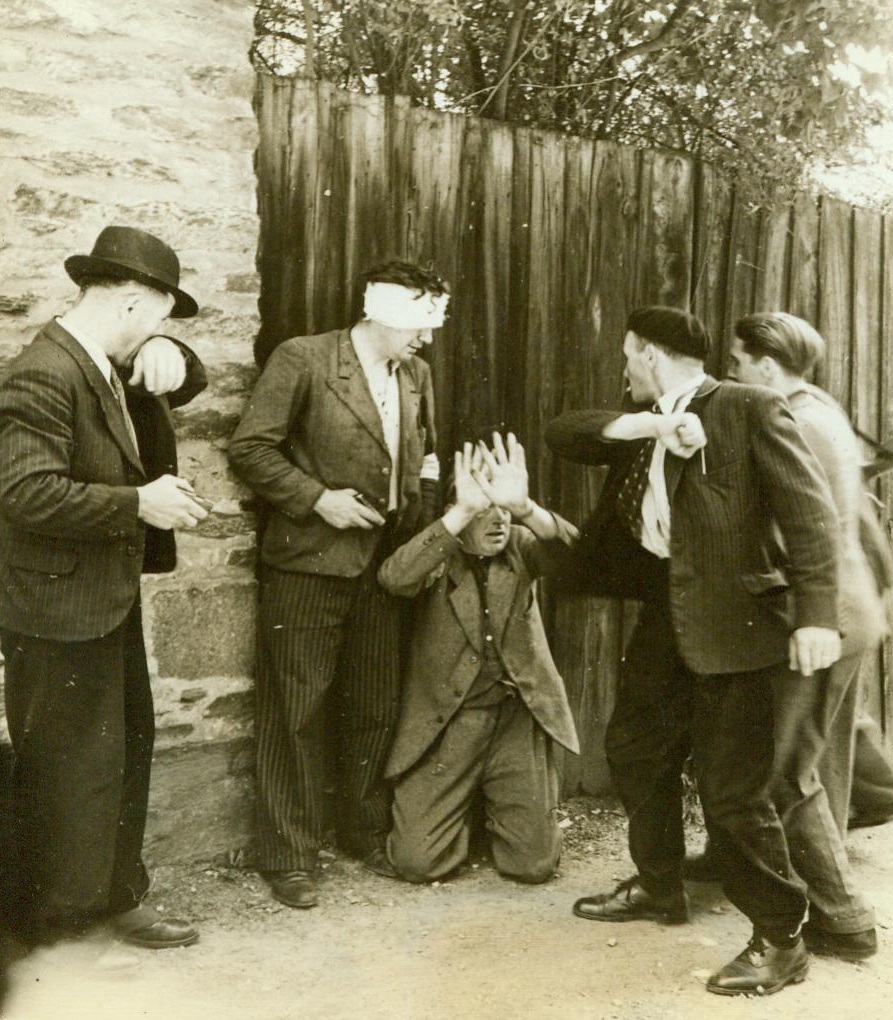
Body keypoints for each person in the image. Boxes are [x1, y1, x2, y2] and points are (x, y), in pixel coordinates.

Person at [547, 306, 841, 996]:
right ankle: (660, 886)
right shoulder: (647, 421)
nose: (625, 369)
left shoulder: (748, 407)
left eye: (628, 356)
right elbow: (566, 432)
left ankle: (781, 939)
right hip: (669, 619)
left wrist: (816, 617)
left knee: (732, 791)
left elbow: (810, 514)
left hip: (738, 625)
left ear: (649, 353)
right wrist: (654, 427)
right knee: (634, 747)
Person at [0, 225, 209, 951]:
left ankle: (117, 898)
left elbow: (187, 378)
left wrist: (169, 347)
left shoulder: (102, 362)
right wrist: (138, 503)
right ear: (127, 302)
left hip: (102, 599)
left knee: (122, 753)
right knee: (65, 769)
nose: (154, 334)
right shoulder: (44, 373)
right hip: (55, 609)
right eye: (156, 318)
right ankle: (55, 928)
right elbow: (25, 493)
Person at [227, 260, 447, 907]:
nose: (426, 338)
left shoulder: (416, 375)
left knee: (375, 704)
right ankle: (288, 855)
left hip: (383, 567)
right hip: (308, 564)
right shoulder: (305, 359)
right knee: (296, 709)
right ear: (382, 312)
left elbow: (427, 456)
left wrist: (422, 526)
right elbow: (251, 449)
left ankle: (363, 830)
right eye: (418, 323)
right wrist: (319, 499)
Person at [720, 311, 881, 959]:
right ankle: (820, 895)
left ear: (765, 365)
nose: (732, 371)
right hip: (851, 606)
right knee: (817, 761)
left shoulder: (794, 421)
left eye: (737, 361)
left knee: (784, 771)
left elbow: (796, 525)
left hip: (820, 615)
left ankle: (843, 919)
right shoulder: (823, 409)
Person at [379, 434, 580, 884]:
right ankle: (471, 813)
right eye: (485, 507)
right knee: (416, 861)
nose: (499, 520)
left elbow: (580, 557)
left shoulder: (521, 544)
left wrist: (526, 507)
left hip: (514, 720)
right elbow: (395, 577)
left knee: (534, 865)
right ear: (460, 508)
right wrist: (460, 515)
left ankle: (499, 810)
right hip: (452, 723)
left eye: (504, 508)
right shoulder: (440, 549)